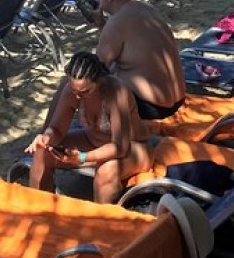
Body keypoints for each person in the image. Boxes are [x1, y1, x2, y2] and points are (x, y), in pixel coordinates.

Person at [27, 52, 152, 203]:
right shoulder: (72, 91)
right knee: (43, 151)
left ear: (99, 81)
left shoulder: (117, 93)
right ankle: (38, 207)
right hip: (92, 141)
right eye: (75, 91)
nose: (78, 96)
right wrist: (46, 137)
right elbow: (57, 129)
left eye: (85, 91)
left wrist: (82, 157)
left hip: (133, 148)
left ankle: (100, 220)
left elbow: (120, 147)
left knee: (106, 170)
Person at [92, 0, 185, 119]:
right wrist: (102, 28)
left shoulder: (116, 22)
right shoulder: (148, 9)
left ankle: (54, 132)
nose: (99, 0)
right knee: (116, 68)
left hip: (153, 108)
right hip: (178, 99)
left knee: (84, 81)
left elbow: (96, 68)